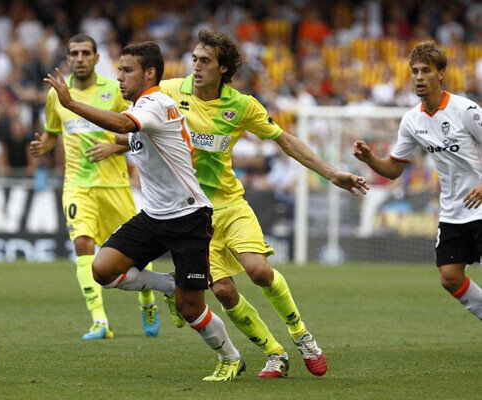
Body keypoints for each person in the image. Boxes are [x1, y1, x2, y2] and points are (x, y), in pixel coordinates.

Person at [159, 29, 368, 378]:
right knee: (224, 292)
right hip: (192, 216)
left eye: (205, 61)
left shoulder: (241, 105)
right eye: (194, 59)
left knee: (258, 271)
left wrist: (331, 173)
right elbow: (132, 120)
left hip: (230, 206)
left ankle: (303, 336)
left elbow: (286, 141)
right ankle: (275, 353)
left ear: (224, 68)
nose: (196, 66)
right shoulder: (168, 92)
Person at [44, 41, 245, 381]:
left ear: (149, 73)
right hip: (154, 216)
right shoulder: (144, 108)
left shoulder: (154, 103)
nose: (119, 77)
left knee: (191, 308)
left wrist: (70, 103)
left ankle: (230, 357)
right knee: (103, 269)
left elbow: (124, 127)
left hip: (188, 218)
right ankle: (166, 286)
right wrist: (113, 147)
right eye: (118, 70)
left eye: (127, 71)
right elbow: (139, 138)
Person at [29, 35, 160, 340]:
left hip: (113, 184)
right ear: (68, 58)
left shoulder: (115, 91)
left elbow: (138, 135)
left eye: (85, 53)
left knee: (138, 252)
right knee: (82, 244)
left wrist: (112, 150)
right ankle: (100, 321)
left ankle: (147, 300)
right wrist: (43, 145)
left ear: (96, 58)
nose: (79, 58)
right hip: (77, 184)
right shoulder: (57, 96)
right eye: (73, 53)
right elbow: (52, 132)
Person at [354, 40, 482, 322]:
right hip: (453, 210)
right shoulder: (412, 120)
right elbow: (393, 170)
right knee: (450, 278)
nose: (419, 77)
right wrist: (369, 159)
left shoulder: (466, 110)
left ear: (441, 74)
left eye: (426, 70)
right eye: (415, 71)